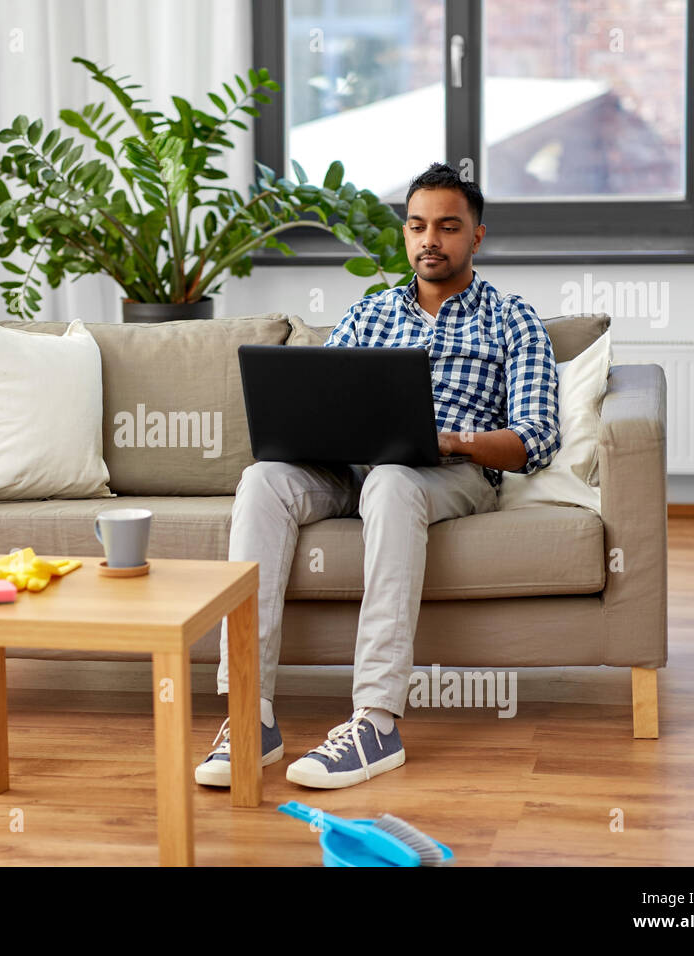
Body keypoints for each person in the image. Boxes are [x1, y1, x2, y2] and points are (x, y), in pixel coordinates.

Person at [195, 162, 562, 791]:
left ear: (476, 237)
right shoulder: (370, 315)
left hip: (450, 473)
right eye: (417, 226)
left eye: (448, 227)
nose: (430, 240)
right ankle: (248, 713)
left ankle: (376, 721)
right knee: (263, 480)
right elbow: (325, 401)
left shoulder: (512, 319)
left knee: (392, 479)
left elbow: (536, 438)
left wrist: (457, 441)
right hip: (352, 466)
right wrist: (313, 437)